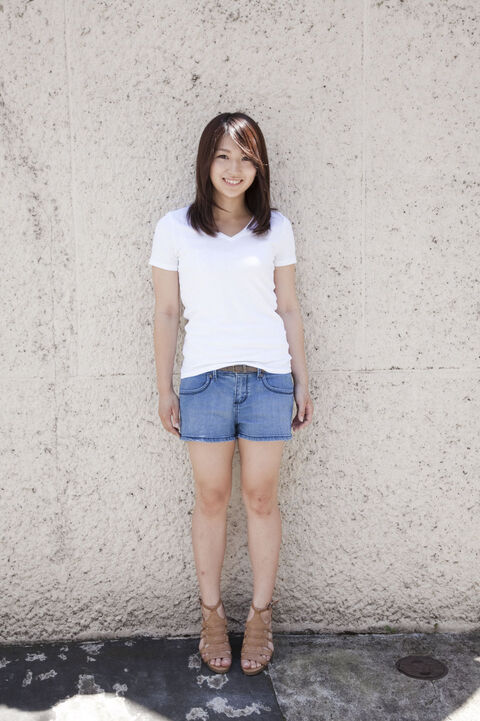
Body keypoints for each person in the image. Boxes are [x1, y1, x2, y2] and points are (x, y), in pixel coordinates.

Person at [149, 112, 313, 676]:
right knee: (212, 498)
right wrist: (165, 388)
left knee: (261, 499)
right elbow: (166, 312)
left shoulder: (276, 228)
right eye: (223, 155)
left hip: (268, 380)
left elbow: (288, 306)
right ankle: (212, 616)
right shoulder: (175, 228)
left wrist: (301, 380)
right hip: (204, 382)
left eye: (245, 157)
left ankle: (261, 617)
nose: (234, 168)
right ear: (206, 162)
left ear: (258, 166)